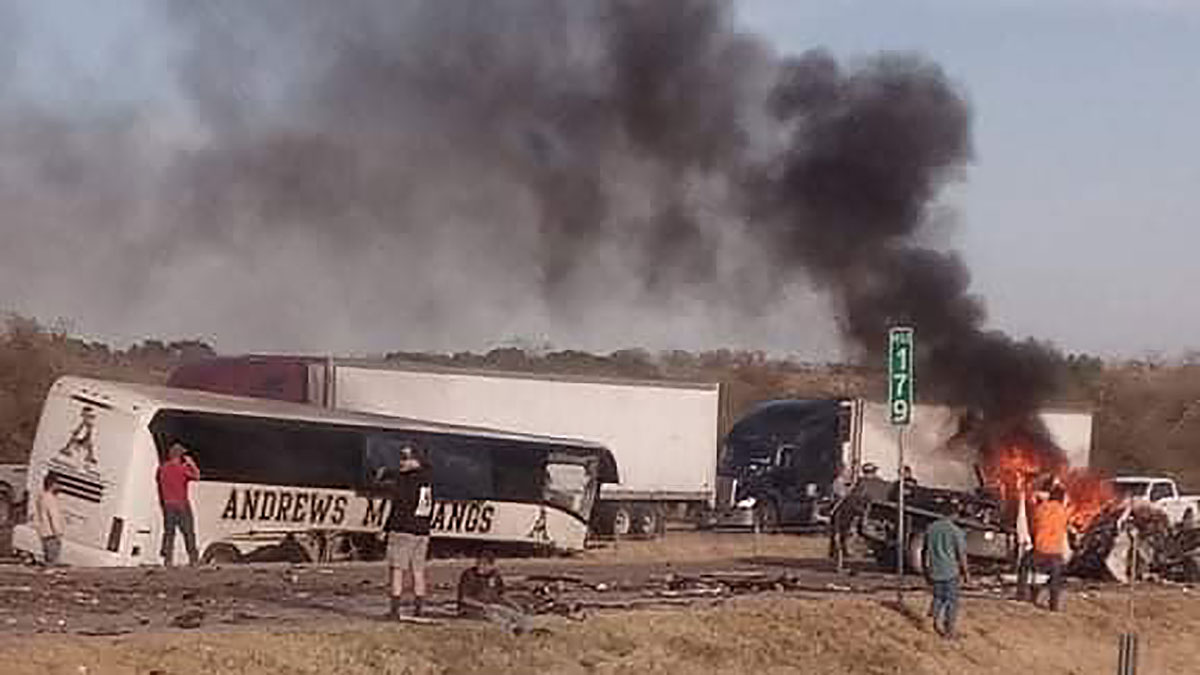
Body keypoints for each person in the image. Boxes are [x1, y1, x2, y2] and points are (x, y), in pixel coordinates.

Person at [378, 446, 434, 619]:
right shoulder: (428, 479)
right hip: (422, 530)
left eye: (405, 458)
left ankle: (395, 610)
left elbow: (398, 507)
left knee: (397, 569)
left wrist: (385, 529)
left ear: (415, 460)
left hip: (403, 529)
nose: (401, 462)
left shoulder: (404, 480)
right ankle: (418, 609)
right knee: (418, 570)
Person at [457, 550, 534, 635]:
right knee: (498, 618)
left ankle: (527, 633)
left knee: (516, 615)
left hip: (492, 606)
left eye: (484, 564)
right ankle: (511, 635)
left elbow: (502, 594)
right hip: (471, 609)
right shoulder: (469, 575)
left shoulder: (495, 575)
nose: (480, 566)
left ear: (492, 565)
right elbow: (464, 599)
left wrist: (516, 606)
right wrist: (484, 606)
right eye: (478, 563)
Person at [923, 513, 971, 639]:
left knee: (938, 597)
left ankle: (929, 622)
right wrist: (966, 574)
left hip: (935, 570)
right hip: (950, 572)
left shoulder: (931, 528)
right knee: (951, 602)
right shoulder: (955, 531)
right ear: (954, 515)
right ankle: (949, 632)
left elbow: (924, 551)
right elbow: (961, 555)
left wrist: (925, 570)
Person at [1024, 484, 1069, 611]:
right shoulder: (1064, 511)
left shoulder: (1040, 508)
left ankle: (1021, 595)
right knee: (1056, 578)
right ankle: (1053, 605)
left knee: (1024, 564)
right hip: (1055, 554)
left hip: (1039, 551)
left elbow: (1033, 527)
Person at [157, 443, 200, 567]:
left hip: (167, 504)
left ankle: (167, 559)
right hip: (181, 504)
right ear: (179, 455)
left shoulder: (162, 468)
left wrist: (163, 504)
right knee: (188, 532)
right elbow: (197, 476)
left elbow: (159, 487)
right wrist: (191, 464)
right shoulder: (182, 469)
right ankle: (193, 559)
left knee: (169, 532)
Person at [34, 474, 65, 565]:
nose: (60, 486)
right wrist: (58, 534)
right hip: (51, 534)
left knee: (47, 558)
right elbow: (53, 517)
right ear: (53, 484)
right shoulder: (50, 499)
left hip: (44, 533)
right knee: (53, 561)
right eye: (58, 484)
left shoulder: (41, 497)